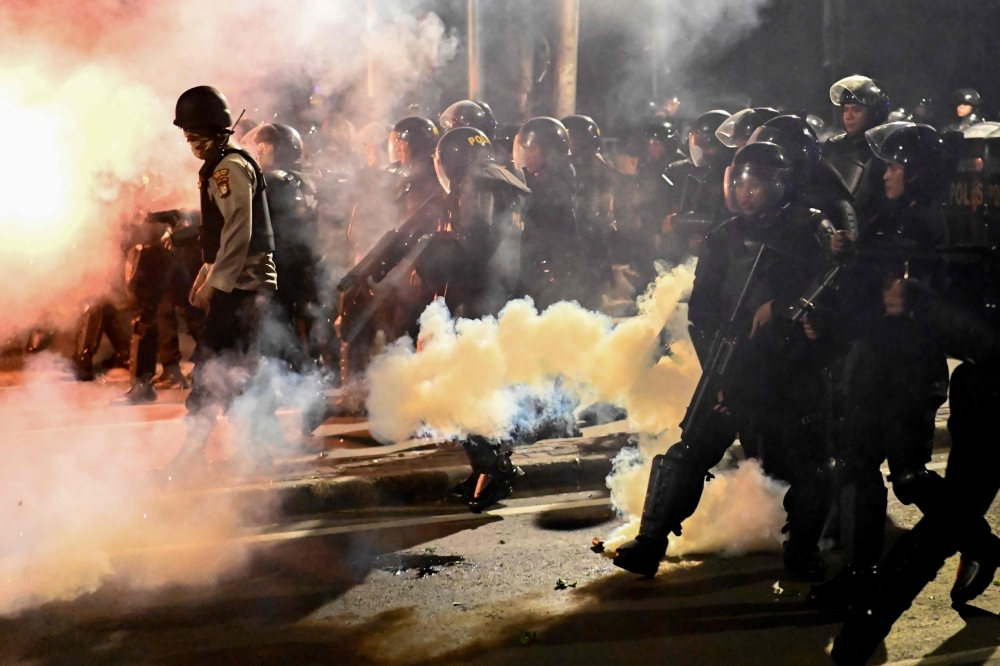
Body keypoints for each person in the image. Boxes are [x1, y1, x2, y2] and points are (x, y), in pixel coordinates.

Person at [612, 141, 836, 579]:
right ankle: (651, 541)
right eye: (740, 181)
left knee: (808, 463)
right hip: (735, 363)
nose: (746, 191)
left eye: (756, 182)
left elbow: (833, 288)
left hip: (791, 366)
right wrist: (717, 369)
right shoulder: (724, 236)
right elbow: (702, 313)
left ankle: (804, 549)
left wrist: (790, 307)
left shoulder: (810, 230)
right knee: (688, 452)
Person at [807, 123, 951, 609]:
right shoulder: (891, 215)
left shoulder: (930, 223)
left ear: (918, 171)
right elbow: (862, 293)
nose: (887, 172)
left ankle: (983, 546)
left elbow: (926, 284)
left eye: (896, 165)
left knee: (909, 477)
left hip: (909, 368)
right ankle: (859, 571)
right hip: (873, 363)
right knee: (856, 465)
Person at [151, 85, 279, 482]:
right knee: (237, 371)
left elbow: (240, 230)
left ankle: (193, 458)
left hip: (242, 286)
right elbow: (220, 233)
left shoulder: (228, 168)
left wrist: (216, 281)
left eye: (193, 135)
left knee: (213, 370)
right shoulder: (222, 165)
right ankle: (256, 455)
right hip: (238, 283)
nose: (189, 144)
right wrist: (208, 272)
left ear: (213, 131)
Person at [424, 127, 530, 511]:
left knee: (463, 390)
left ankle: (494, 469)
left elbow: (474, 246)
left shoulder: (474, 186)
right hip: (499, 297)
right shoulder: (503, 180)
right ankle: (487, 467)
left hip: (476, 301)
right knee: (482, 390)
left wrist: (437, 253)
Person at [251, 123, 321, 369]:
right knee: (303, 322)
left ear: (282, 149)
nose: (258, 151)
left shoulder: (273, 180)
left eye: (265, 145)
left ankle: (287, 378)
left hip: (282, 263)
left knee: (276, 324)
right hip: (304, 262)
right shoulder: (304, 179)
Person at [513, 117, 579, 309]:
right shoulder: (542, 178)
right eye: (524, 149)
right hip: (543, 270)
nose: (526, 156)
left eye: (532, 149)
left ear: (549, 151)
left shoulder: (556, 183)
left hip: (551, 274)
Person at [562, 114, 618, 307]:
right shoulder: (598, 166)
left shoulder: (588, 171)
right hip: (594, 247)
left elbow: (588, 215)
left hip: (584, 250)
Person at [822, 75, 891, 228]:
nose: (848, 116)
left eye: (856, 109)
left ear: (875, 113)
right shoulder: (833, 145)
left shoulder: (886, 149)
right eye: (845, 109)